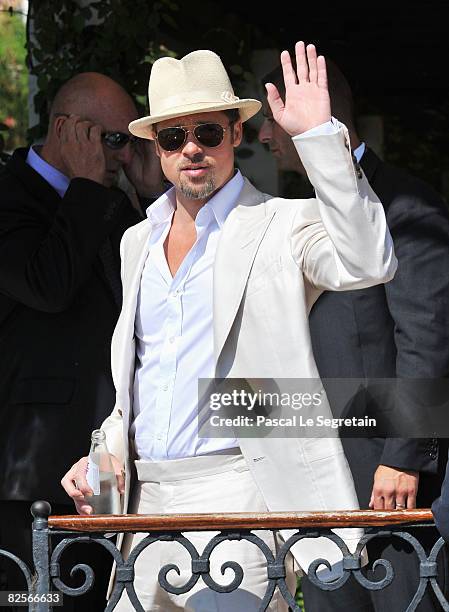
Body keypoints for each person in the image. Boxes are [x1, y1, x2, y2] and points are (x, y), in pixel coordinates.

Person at [61, 43, 397, 612]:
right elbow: (141, 379)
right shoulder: (135, 241)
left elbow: (368, 260)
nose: (192, 148)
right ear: (156, 148)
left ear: (235, 134)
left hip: (238, 493)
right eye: (173, 137)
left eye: (208, 133)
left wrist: (320, 140)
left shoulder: (280, 224)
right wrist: (102, 452)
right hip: (141, 506)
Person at [259, 58, 449, 611]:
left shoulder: (405, 204)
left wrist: (403, 456)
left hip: (391, 491)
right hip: (320, 489)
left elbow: (428, 334)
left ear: (319, 115)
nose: (265, 134)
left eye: (275, 117)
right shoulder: (293, 217)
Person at [0, 72, 165, 610]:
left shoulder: (112, 202)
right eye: (115, 139)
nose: (123, 154)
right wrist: (91, 189)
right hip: (29, 476)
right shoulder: (10, 194)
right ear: (68, 127)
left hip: (106, 466)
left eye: (132, 141)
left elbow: (151, 292)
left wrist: (145, 193)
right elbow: (47, 285)